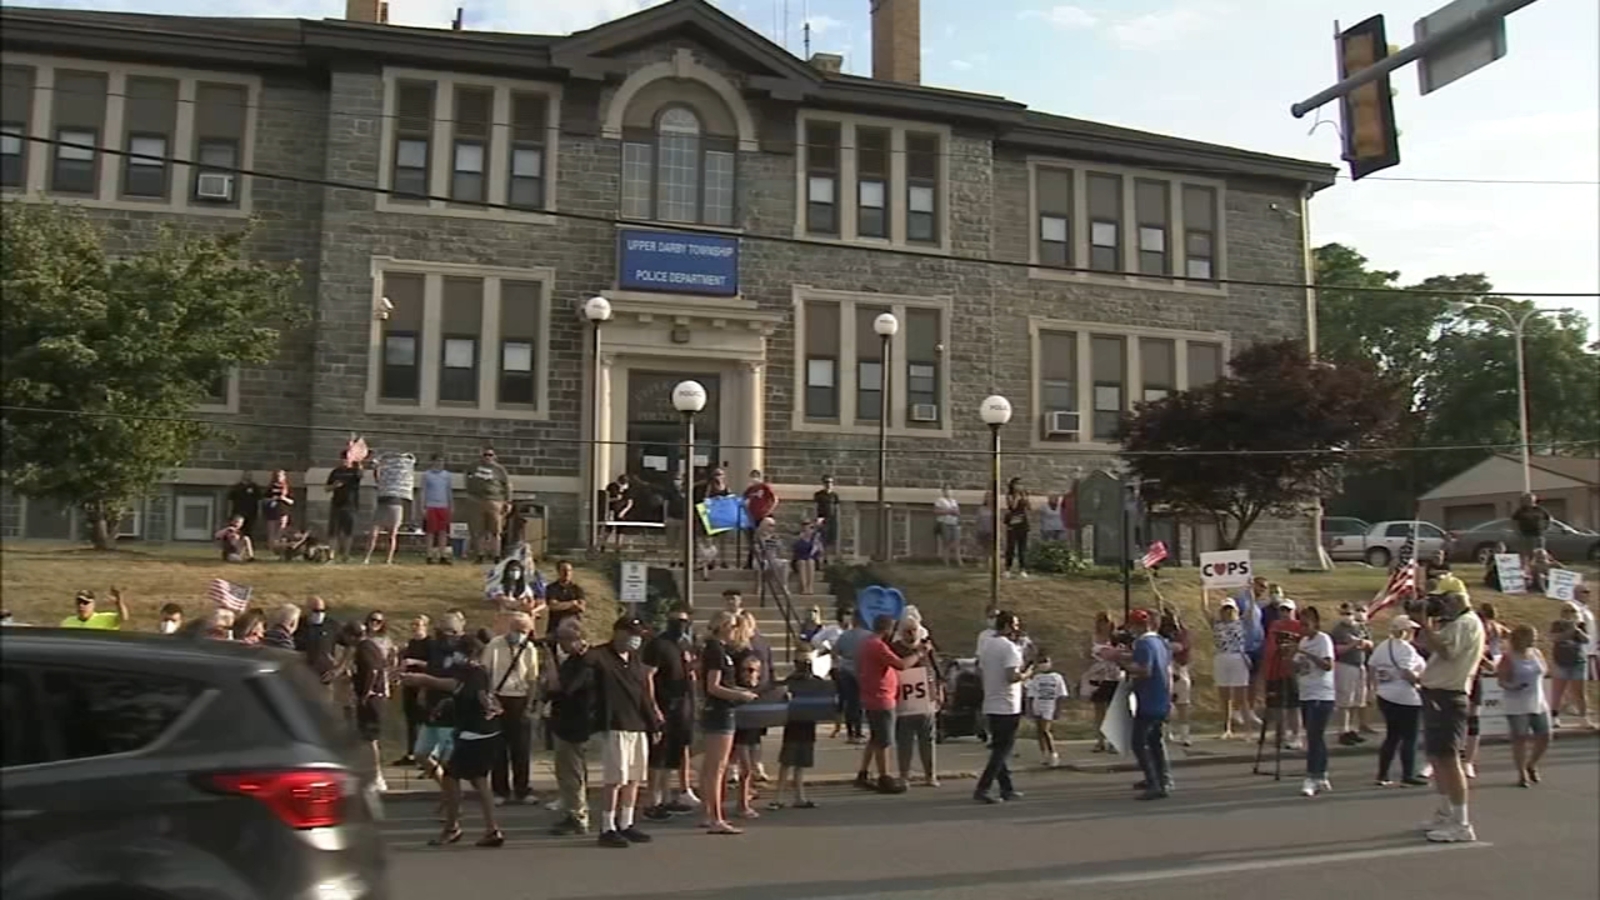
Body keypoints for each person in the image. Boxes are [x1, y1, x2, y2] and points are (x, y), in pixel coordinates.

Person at [399, 633, 505, 848]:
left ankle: (452, 828)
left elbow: (450, 685)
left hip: (474, 734)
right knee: (479, 780)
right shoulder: (477, 671)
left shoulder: (473, 672)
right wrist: (445, 704)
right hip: (485, 732)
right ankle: (491, 829)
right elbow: (466, 696)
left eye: (460, 652)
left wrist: (422, 680)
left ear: (470, 653)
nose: (456, 656)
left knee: (451, 777)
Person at [1417, 589, 1486, 843]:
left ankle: (1462, 822)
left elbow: (1447, 652)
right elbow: (1426, 644)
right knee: (1436, 756)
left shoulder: (1466, 623)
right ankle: (1446, 811)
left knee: (1448, 758)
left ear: (1457, 600)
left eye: (1444, 602)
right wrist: (1427, 624)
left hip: (1448, 695)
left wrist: (1426, 622)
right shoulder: (1456, 624)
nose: (1442, 607)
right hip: (1437, 693)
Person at [699, 610, 759, 835]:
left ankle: (709, 813)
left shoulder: (718, 650)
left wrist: (739, 690)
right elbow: (713, 686)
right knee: (717, 767)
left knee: (712, 767)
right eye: (733, 626)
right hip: (720, 711)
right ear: (723, 627)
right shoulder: (715, 650)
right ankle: (715, 817)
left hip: (720, 709)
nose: (735, 631)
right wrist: (738, 696)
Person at [854, 613, 924, 794]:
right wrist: (919, 653)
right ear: (888, 629)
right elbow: (900, 664)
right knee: (884, 740)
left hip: (872, 695)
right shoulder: (877, 646)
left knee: (876, 737)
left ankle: (863, 772)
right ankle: (884, 777)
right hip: (881, 698)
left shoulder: (865, 644)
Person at [642, 607, 698, 820]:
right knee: (658, 755)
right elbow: (648, 676)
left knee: (673, 755)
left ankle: (666, 798)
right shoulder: (658, 644)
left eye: (684, 620)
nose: (681, 624)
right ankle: (652, 801)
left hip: (682, 705)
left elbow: (690, 672)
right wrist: (653, 705)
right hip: (664, 704)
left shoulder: (684, 644)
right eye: (677, 620)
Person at [974, 611, 1031, 804]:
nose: (1017, 628)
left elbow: (981, 669)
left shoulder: (987, 644)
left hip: (991, 701)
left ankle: (1007, 788)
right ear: (1006, 626)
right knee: (1002, 749)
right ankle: (983, 787)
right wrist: (1028, 673)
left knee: (1000, 746)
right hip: (1007, 704)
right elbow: (1011, 676)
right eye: (1014, 625)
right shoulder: (1009, 648)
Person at [485, 612, 539, 806]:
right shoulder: (495, 645)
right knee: (498, 748)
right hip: (499, 697)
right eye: (517, 629)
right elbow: (486, 672)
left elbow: (532, 678)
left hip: (520, 698)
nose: (520, 634)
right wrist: (490, 700)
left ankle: (522, 790)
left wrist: (531, 703)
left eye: (524, 630)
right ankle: (500, 790)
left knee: (521, 749)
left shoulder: (530, 648)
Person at [545, 619, 593, 836]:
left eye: (564, 640)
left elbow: (561, 688)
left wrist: (549, 661)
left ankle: (578, 814)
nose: (561, 644)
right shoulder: (572, 661)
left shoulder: (585, 662)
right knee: (565, 772)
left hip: (575, 723)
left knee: (572, 772)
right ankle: (571, 810)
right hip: (564, 721)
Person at [1119, 609, 1173, 800]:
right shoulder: (1160, 642)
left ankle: (1154, 782)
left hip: (1148, 699)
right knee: (1155, 740)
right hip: (1161, 697)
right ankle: (1163, 777)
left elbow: (1144, 670)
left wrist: (1123, 664)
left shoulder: (1143, 643)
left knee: (1139, 742)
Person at [1370, 615, 1427, 786]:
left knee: (1392, 736)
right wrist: (1421, 682)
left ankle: (1383, 774)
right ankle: (1407, 774)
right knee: (1410, 737)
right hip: (1406, 697)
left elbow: (1372, 666)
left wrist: (1375, 686)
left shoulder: (1383, 646)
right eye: (1412, 630)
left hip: (1385, 695)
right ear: (1405, 631)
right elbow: (1406, 672)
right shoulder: (1406, 649)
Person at [1497, 622, 1551, 787]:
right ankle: (1521, 773)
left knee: (1545, 734)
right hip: (1517, 701)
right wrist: (1514, 686)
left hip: (1537, 699)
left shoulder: (1536, 653)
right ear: (1521, 638)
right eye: (1531, 637)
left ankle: (1532, 763)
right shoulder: (1509, 656)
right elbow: (1502, 680)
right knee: (1520, 737)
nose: (1534, 640)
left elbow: (1545, 669)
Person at [769, 650, 825, 810]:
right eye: (802, 663)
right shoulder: (791, 681)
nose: (805, 667)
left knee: (800, 763)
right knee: (787, 762)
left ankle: (799, 796)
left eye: (807, 663)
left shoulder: (816, 681)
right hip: (794, 725)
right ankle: (778, 797)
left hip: (807, 725)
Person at [892, 607, 940, 787]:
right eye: (907, 631)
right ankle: (904, 775)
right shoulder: (895, 649)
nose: (910, 634)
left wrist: (939, 690)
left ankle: (930, 774)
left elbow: (935, 669)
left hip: (925, 701)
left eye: (913, 630)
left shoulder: (926, 647)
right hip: (904, 703)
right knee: (904, 740)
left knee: (927, 739)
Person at [1293, 606, 1337, 798]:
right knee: (1315, 736)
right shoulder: (1302, 641)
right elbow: (1297, 668)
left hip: (1321, 694)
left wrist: (1307, 653)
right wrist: (1290, 657)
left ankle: (1312, 776)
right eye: (1300, 624)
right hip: (1306, 692)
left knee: (1313, 735)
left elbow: (1328, 665)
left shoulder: (1323, 640)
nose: (1302, 628)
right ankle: (1322, 773)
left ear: (1315, 624)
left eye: (1306, 624)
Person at [1201, 592, 1249, 738]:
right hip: (1221, 657)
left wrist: (1250, 589)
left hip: (1238, 657)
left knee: (1241, 695)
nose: (1228, 612)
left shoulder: (1240, 622)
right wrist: (1204, 589)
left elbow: (1252, 609)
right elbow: (1204, 608)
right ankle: (1226, 728)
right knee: (1224, 696)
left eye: (1230, 609)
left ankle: (1248, 729)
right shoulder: (1216, 624)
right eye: (1225, 609)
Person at [1330, 602, 1375, 746]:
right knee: (1345, 700)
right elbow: (1336, 650)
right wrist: (1352, 645)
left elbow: (1370, 644)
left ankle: (1352, 729)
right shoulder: (1338, 630)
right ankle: (1343, 730)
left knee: (1358, 700)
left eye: (1349, 613)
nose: (1347, 616)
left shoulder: (1360, 627)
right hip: (1345, 665)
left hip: (1359, 665)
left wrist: (1364, 643)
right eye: (1344, 613)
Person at [1080, 611, 1123, 752]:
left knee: (1113, 710)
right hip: (1097, 676)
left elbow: (1123, 654)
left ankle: (1113, 740)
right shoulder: (1093, 638)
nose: (1104, 625)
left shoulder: (1116, 638)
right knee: (1099, 710)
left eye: (1107, 622)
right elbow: (1086, 654)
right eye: (1101, 622)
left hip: (1113, 675)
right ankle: (1100, 740)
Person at [730, 656, 766, 819]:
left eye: (751, 670)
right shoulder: (737, 690)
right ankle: (741, 804)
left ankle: (746, 797)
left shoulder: (762, 690)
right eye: (744, 670)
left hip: (755, 734)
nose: (747, 674)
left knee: (751, 769)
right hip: (739, 735)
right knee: (745, 769)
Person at [364, 450, 415, 566]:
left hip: (395, 505)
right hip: (382, 504)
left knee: (392, 534)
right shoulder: (385, 478)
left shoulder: (401, 479)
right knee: (373, 533)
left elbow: (409, 467)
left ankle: (388, 560)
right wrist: (376, 467)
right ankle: (366, 558)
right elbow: (377, 478)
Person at [1547, 601, 1592, 729]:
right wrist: (1569, 632)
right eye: (1566, 610)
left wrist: (1577, 629)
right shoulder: (1557, 624)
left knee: (1580, 693)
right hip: (1561, 662)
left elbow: (1586, 639)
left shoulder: (1581, 625)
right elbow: (1554, 638)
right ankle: (1554, 717)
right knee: (1558, 692)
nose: (1569, 614)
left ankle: (1583, 718)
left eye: (1572, 611)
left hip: (1577, 662)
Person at [466, 447, 512, 563]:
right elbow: (468, 480)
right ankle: (480, 555)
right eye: (485, 455)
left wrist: (508, 501)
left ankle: (496, 555)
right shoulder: (473, 467)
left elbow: (507, 486)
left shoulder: (499, 470)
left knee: (495, 531)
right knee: (479, 530)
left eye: (490, 455)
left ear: (494, 456)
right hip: (477, 501)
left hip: (495, 501)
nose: (487, 457)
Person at [1158, 606, 1194, 747]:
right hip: (1164, 670)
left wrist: (1166, 645)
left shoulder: (1183, 632)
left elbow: (1180, 647)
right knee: (1165, 704)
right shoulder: (1159, 634)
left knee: (1182, 704)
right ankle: (1166, 733)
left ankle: (1185, 735)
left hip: (1179, 670)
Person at [1024, 654, 1068, 767]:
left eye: (1045, 661)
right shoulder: (1037, 677)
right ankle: (1044, 754)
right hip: (1037, 705)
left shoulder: (1057, 677)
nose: (1043, 664)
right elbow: (1030, 695)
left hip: (1049, 706)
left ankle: (1053, 754)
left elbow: (1061, 695)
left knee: (1045, 730)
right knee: (1039, 731)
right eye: (1041, 662)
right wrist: (1029, 709)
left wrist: (1058, 710)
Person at [324, 451, 363, 562]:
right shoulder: (336, 472)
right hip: (336, 504)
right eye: (343, 458)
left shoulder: (354, 471)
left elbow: (360, 475)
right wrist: (334, 486)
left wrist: (358, 458)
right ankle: (331, 555)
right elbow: (326, 488)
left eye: (347, 458)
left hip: (350, 505)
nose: (344, 460)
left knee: (348, 531)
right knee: (333, 531)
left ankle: (346, 555)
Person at [544, 560, 587, 637]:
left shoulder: (577, 589)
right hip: (555, 627)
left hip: (573, 627)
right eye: (564, 570)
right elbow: (553, 607)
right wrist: (572, 603)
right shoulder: (551, 588)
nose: (567, 573)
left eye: (569, 570)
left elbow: (581, 608)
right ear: (558, 571)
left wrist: (561, 605)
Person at [1002, 477, 1031, 578]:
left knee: (1022, 547)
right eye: (1017, 484)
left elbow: (1029, 507)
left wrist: (1025, 498)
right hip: (1013, 522)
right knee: (1011, 546)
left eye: (1021, 484)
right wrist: (1017, 497)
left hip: (1022, 522)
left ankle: (1022, 568)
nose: (1019, 486)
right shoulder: (1010, 495)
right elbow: (1012, 507)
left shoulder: (1024, 494)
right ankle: (1007, 569)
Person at [1511, 492, 1551, 565]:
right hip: (1525, 535)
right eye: (1526, 499)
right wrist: (1516, 531)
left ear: (1534, 500)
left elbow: (1549, 519)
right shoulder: (1520, 510)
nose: (1528, 501)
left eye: (1530, 499)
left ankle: (1539, 568)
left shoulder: (1540, 509)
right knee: (1527, 554)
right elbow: (1514, 521)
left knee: (1540, 553)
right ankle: (1528, 569)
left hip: (1538, 535)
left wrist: (1546, 528)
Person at [60, 588, 129, 630]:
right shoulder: (67, 622)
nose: (81, 605)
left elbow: (123, 618)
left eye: (85, 602)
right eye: (79, 602)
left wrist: (119, 603)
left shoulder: (106, 619)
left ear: (93, 604)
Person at [262, 469, 294, 557]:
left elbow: (291, 501)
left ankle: (279, 549)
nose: (278, 477)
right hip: (272, 511)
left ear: (284, 477)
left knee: (281, 530)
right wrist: (272, 499)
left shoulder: (287, 488)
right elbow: (264, 499)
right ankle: (271, 549)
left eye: (280, 476)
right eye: (277, 476)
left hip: (283, 510)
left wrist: (283, 498)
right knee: (271, 531)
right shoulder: (270, 487)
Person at [812, 475, 841, 562]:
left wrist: (837, 519)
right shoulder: (819, 494)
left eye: (830, 482)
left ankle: (831, 557)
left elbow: (837, 508)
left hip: (832, 519)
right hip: (822, 519)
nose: (828, 484)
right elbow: (815, 507)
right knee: (821, 539)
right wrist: (817, 519)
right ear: (823, 483)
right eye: (826, 482)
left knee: (831, 539)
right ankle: (822, 558)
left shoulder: (834, 495)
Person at [226, 471, 261, 542]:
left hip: (251, 512)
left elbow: (259, 500)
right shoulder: (237, 487)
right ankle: (235, 543)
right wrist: (229, 512)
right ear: (243, 476)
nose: (248, 476)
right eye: (247, 475)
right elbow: (230, 500)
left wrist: (259, 511)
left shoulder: (255, 487)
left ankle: (247, 545)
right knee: (237, 529)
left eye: (250, 475)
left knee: (249, 530)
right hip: (238, 512)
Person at [791, 522, 823, 597]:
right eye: (808, 528)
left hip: (810, 560)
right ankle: (804, 587)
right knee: (802, 562)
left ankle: (810, 586)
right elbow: (797, 552)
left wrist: (819, 547)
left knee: (810, 562)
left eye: (812, 528)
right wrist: (800, 539)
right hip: (799, 560)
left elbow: (819, 553)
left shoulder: (815, 541)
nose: (810, 530)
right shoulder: (799, 540)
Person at [933, 485, 963, 566]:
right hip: (945, 523)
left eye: (949, 490)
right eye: (946, 490)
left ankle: (959, 561)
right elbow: (936, 511)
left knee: (956, 542)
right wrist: (948, 511)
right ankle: (946, 562)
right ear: (943, 491)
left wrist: (956, 513)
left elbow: (958, 512)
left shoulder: (954, 501)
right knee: (946, 542)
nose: (948, 491)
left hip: (954, 523)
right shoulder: (940, 500)